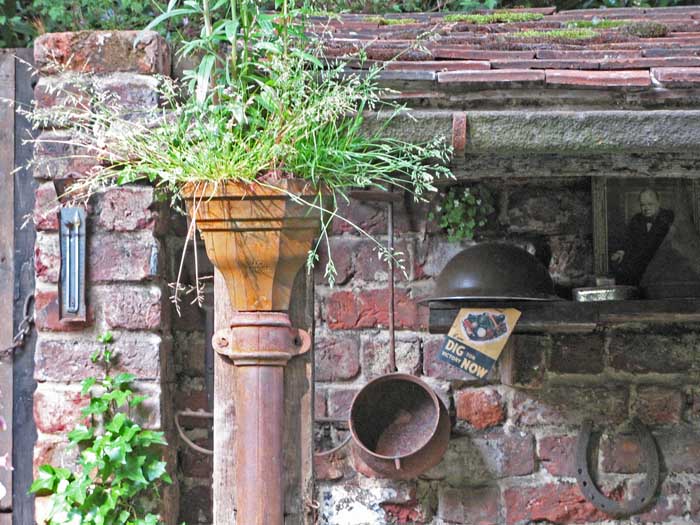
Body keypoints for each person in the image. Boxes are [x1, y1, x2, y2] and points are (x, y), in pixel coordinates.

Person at [611, 189, 674, 286]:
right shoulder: (636, 219)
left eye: (650, 204)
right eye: (642, 205)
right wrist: (621, 252)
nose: (646, 208)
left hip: (663, 267)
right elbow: (628, 240)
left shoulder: (669, 217)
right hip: (641, 267)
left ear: (658, 202)